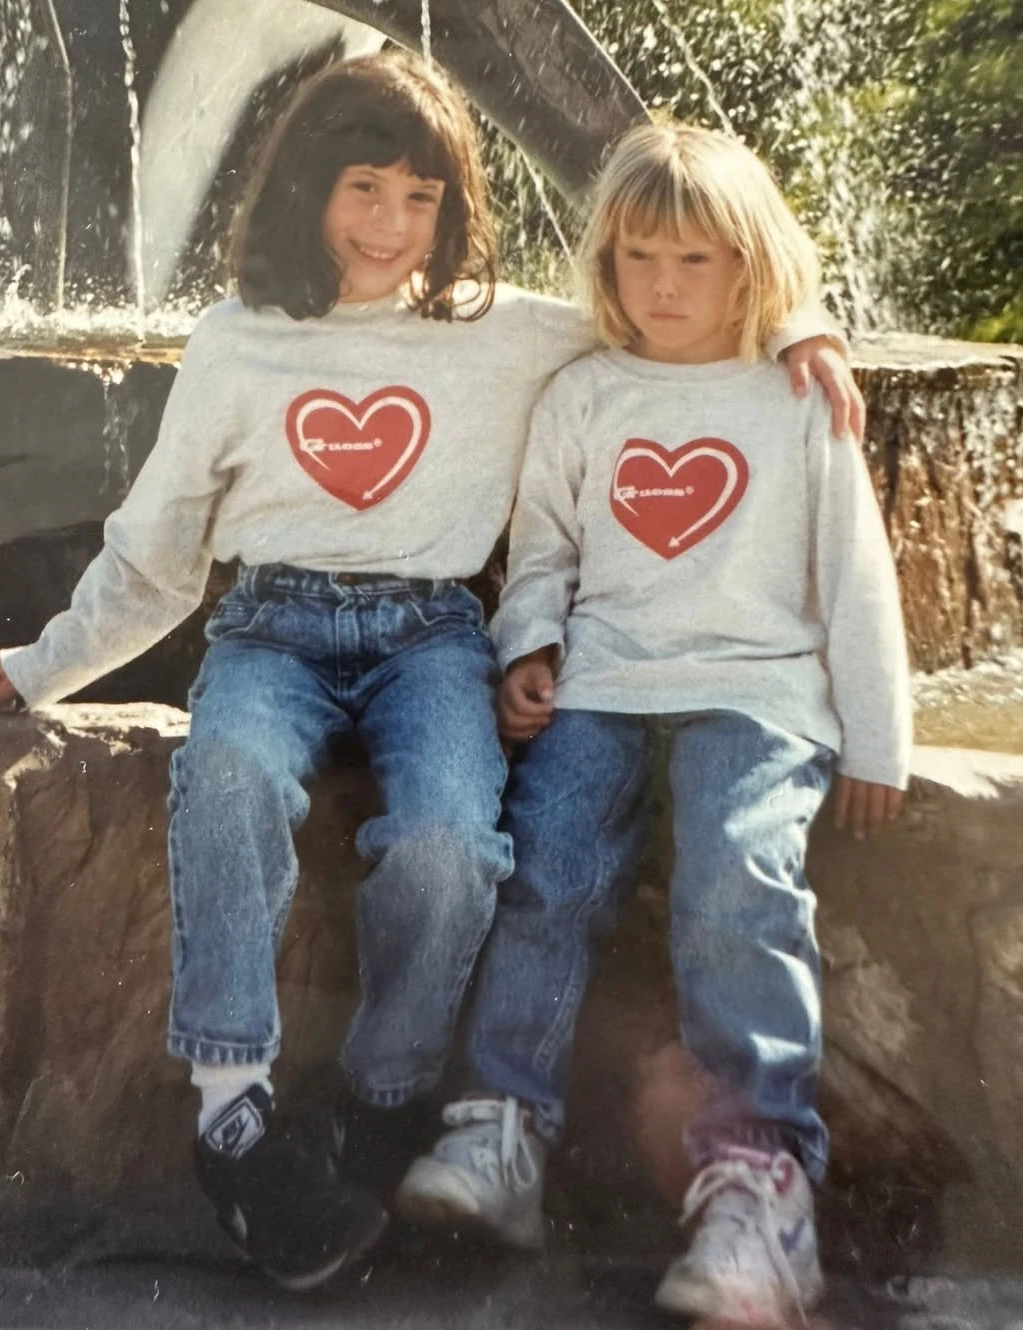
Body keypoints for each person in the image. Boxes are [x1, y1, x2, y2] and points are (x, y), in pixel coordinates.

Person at [0, 53, 859, 1294]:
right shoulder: (236, 341)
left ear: (453, 210)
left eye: (419, 197)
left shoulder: (503, 334)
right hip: (269, 629)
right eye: (361, 186)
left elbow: (674, 292)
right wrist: (45, 662)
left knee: (448, 843)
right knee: (226, 770)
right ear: (304, 190)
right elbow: (154, 554)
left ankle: (383, 1088)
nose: (387, 224)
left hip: (432, 637)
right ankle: (232, 1106)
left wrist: (801, 321)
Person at [396, 120, 911, 1326]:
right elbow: (546, 552)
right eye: (638, 258)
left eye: (696, 261)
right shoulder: (583, 394)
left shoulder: (798, 394)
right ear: (607, 265)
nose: (664, 287)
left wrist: (880, 735)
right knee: (550, 864)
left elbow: (857, 573)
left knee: (736, 872)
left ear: (750, 265)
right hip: (606, 686)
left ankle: (758, 1184)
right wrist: (529, 644)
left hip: (761, 691)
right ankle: (499, 1131)